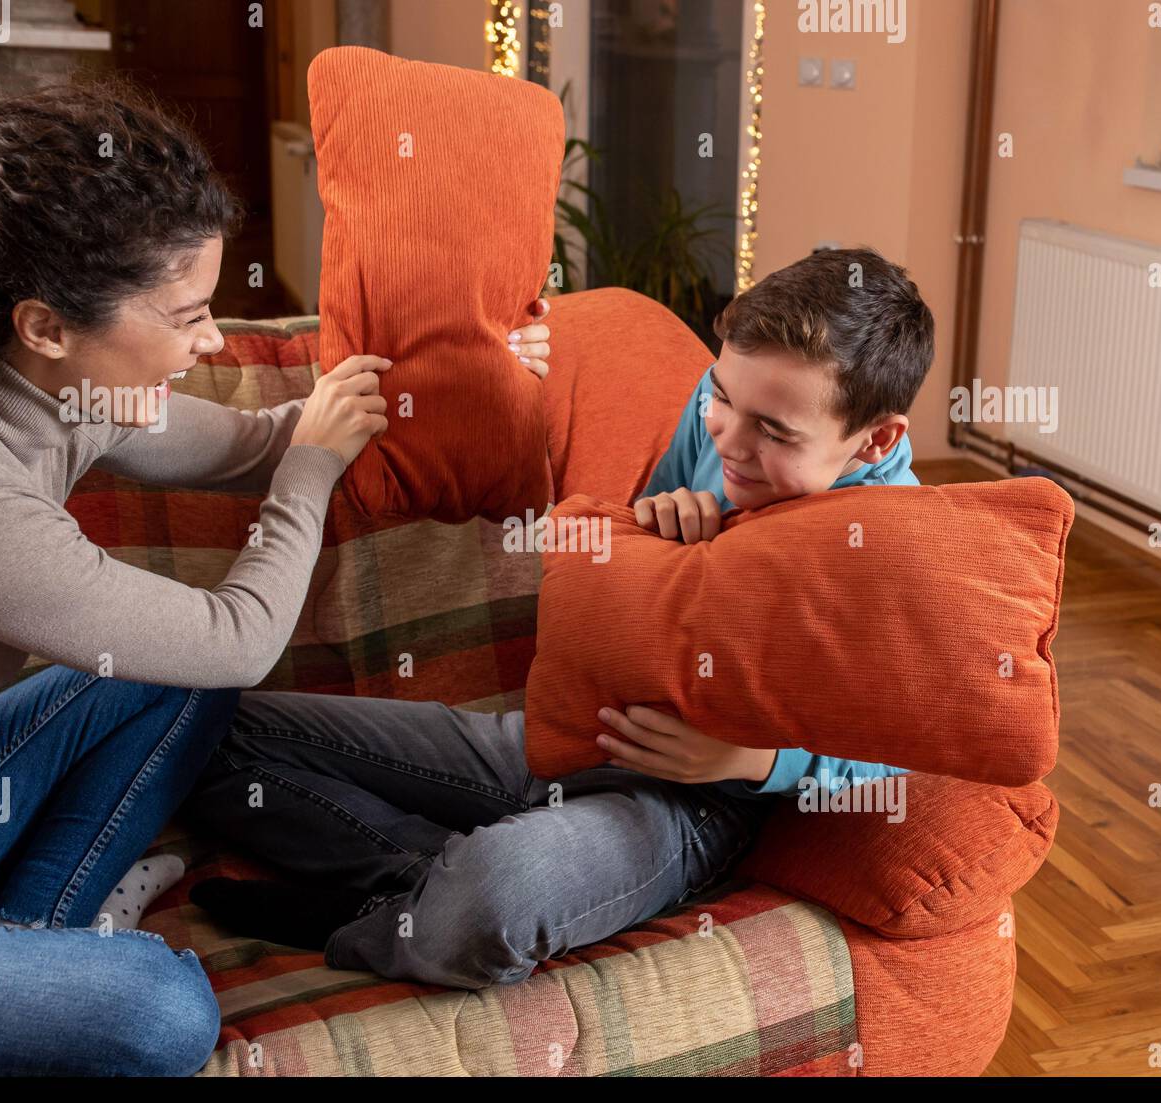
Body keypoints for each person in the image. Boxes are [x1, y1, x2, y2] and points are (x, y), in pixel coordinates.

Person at [0, 76, 552, 1074]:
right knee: (161, 1016)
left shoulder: (43, 382)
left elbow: (253, 443)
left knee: (167, 677)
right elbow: (239, 633)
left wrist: (471, 368)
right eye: (186, 315)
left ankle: (16, 950)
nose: (209, 343)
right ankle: (35, 951)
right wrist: (309, 470)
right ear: (45, 324)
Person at [183, 247, 936, 990]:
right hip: (575, 731)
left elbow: (901, 751)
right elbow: (619, 567)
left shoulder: (897, 545)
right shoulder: (717, 423)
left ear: (876, 438)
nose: (729, 441)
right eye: (722, 396)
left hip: (691, 804)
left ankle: (413, 906)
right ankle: (412, 879)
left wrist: (749, 760)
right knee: (201, 728)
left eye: (773, 431)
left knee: (496, 893)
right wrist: (647, 524)